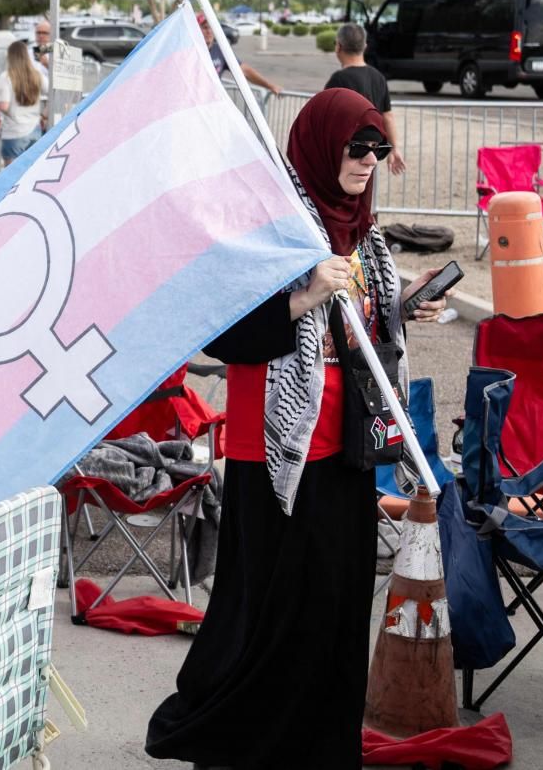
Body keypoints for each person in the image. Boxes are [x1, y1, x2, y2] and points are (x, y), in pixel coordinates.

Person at [145, 88, 447, 769]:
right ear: (320, 144)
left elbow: (361, 327)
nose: (369, 159)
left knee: (337, 607)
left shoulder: (364, 231)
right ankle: (248, 742)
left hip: (348, 446)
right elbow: (222, 333)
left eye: (379, 146)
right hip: (278, 449)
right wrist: (305, 292)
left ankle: (318, 744)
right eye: (356, 146)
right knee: (275, 612)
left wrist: (403, 301)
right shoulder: (271, 226)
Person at [325, 22, 405, 175]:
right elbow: (387, 116)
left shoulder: (338, 80)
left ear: (338, 46)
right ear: (365, 46)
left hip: (347, 155)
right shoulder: (378, 77)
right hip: (371, 154)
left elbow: (326, 120)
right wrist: (395, 148)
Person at [199, 14, 282, 95]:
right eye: (205, 27)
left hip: (212, 104)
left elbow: (245, 71)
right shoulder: (190, 52)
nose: (209, 31)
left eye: (211, 27)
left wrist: (270, 86)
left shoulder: (221, 50)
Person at [0, 40, 47, 163]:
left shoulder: (6, 77)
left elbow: (4, 105)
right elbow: (53, 92)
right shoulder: (37, 75)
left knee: (12, 177)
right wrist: (45, 114)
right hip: (34, 130)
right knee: (30, 173)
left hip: (14, 132)